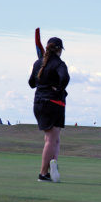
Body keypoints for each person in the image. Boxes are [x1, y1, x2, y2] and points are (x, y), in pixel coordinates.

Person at [29, 37, 70, 182]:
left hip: (38, 103)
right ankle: (43, 173)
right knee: (51, 140)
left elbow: (31, 83)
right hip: (54, 103)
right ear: (59, 49)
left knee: (54, 139)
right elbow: (65, 78)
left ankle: (53, 165)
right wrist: (58, 88)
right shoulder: (59, 63)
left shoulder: (38, 63)